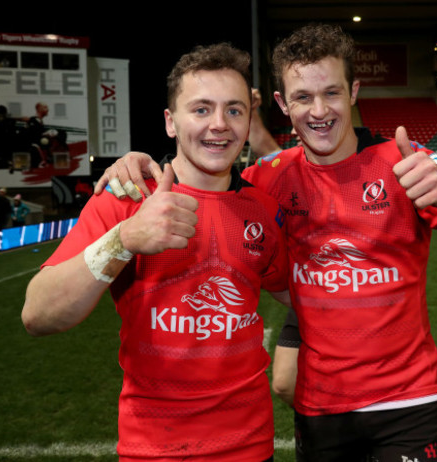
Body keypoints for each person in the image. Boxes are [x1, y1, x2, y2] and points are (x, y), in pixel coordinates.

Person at [96, 23, 437, 462]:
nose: (319, 110)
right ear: (283, 103)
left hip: (407, 403)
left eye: (331, 93)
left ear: (353, 92)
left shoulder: (408, 162)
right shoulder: (269, 177)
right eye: (302, 97)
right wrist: (135, 165)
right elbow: (200, 179)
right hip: (319, 408)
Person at [22, 42, 290, 462]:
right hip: (154, 450)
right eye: (201, 109)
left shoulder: (263, 209)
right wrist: (125, 239)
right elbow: (38, 315)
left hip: (252, 447)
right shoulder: (126, 198)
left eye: (234, 110)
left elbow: (299, 293)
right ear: (170, 121)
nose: (219, 124)